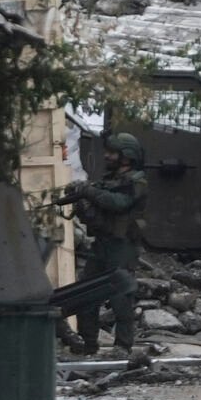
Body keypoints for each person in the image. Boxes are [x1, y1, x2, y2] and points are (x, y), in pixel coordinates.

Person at [70, 131, 149, 354]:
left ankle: (122, 346)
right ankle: (88, 343)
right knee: (86, 294)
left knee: (120, 298)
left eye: (112, 153)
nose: (107, 156)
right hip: (101, 244)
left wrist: (88, 191)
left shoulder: (137, 181)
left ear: (126, 155)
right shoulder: (107, 181)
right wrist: (80, 202)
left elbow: (117, 203)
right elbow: (97, 209)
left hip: (122, 247)